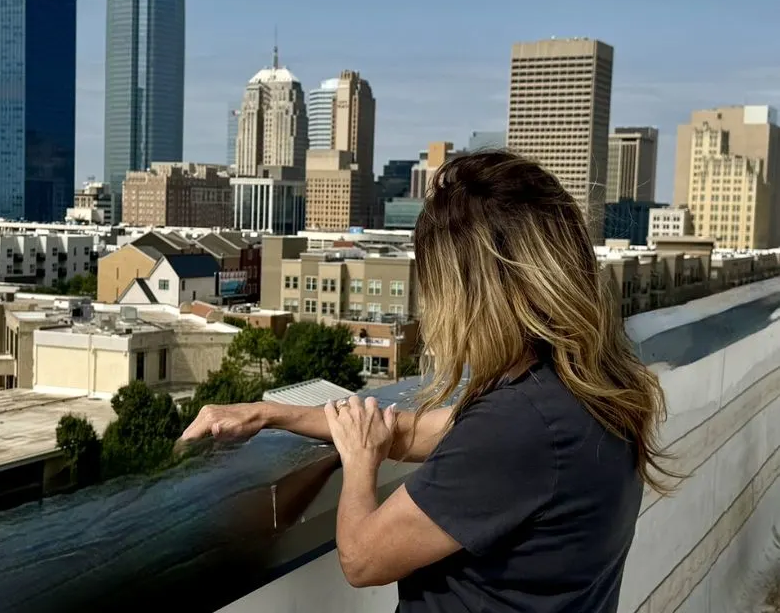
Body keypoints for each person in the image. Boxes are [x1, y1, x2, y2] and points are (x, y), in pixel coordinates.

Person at [180, 150, 674, 612]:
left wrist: (359, 462)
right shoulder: (582, 392)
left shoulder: (519, 428)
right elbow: (416, 433)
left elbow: (361, 559)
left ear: (473, 292)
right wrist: (269, 413)